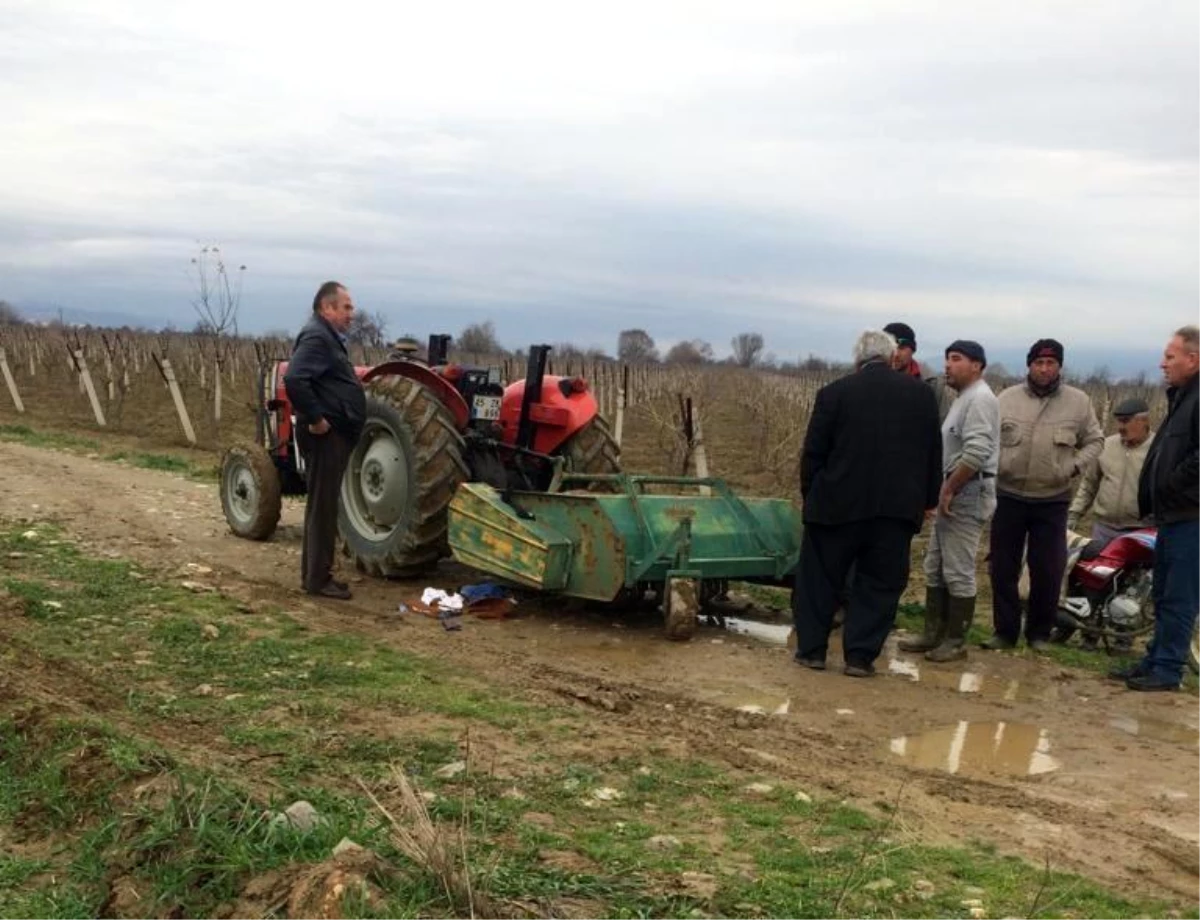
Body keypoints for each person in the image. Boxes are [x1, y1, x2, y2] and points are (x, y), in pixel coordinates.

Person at [793, 329, 942, 677]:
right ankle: (859, 657)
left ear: (857, 360)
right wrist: (928, 498)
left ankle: (812, 651)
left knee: (820, 579)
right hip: (895, 509)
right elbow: (932, 453)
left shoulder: (834, 394)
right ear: (892, 358)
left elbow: (814, 453)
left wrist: (810, 495)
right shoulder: (921, 396)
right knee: (879, 583)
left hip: (836, 505)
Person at [983, 339, 1104, 651]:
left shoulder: (1079, 402)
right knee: (1003, 566)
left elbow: (1095, 440)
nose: (1045, 369)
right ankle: (1004, 632)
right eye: (1039, 363)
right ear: (1029, 365)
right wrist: (996, 466)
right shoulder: (1006, 399)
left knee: (1048, 570)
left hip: (1052, 498)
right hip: (1008, 495)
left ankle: (1039, 633)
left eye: (1051, 363)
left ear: (1059, 367)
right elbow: (988, 439)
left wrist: (1073, 467)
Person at [899, 340, 999, 662]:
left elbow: (976, 452)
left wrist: (949, 488)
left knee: (958, 568)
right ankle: (933, 633)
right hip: (955, 489)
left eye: (956, 359)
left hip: (967, 493)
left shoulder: (981, 400)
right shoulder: (962, 399)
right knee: (935, 565)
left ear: (977, 365)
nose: (947, 366)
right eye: (946, 359)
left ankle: (956, 640)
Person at [1113, 326, 1200, 692]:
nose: (1162, 363)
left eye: (1170, 356)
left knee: (1180, 597)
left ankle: (1167, 670)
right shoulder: (1183, 398)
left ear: (1192, 359)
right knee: (1163, 593)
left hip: (1192, 517)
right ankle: (1153, 659)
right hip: (1172, 515)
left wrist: (1170, 484)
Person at [284, 281, 366, 600]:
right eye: (346, 307)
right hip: (325, 437)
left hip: (335, 435)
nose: (351, 314)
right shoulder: (318, 336)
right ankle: (317, 579)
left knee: (325, 503)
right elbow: (294, 378)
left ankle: (318, 574)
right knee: (322, 505)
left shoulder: (326, 336)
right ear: (326, 307)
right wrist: (317, 419)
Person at [1067, 397, 1155, 545]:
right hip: (1103, 529)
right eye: (1118, 421)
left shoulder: (1159, 449)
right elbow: (1089, 484)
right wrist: (1074, 514)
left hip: (1140, 532)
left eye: (1125, 421)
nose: (1120, 427)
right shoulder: (1107, 446)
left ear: (1143, 421)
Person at [884, 321, 955, 422]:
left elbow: (944, 426)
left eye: (901, 348)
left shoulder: (935, 384)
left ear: (913, 349)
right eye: (890, 348)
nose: (896, 354)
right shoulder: (869, 382)